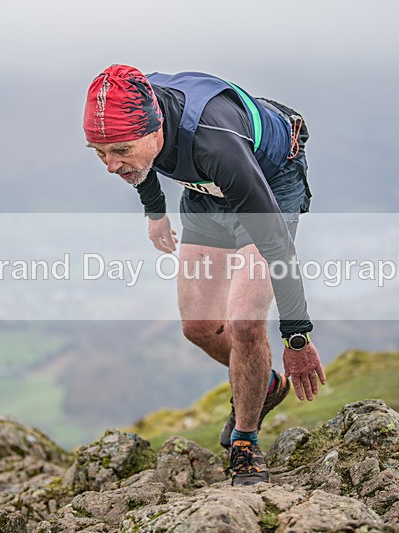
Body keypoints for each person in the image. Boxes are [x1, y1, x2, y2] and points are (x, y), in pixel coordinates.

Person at [83, 65, 326, 486]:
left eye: (119, 150)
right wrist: (154, 210)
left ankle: (245, 443)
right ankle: (264, 383)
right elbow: (137, 167)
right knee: (198, 327)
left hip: (266, 181)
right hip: (205, 194)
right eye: (98, 152)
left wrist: (297, 337)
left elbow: (278, 249)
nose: (109, 165)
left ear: (157, 130)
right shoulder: (138, 111)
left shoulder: (217, 144)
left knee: (246, 323)